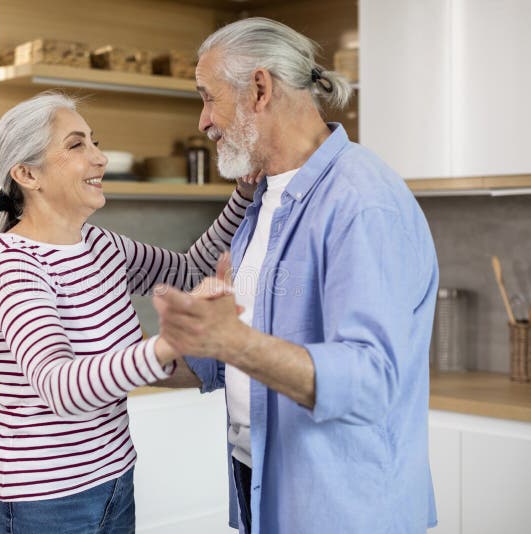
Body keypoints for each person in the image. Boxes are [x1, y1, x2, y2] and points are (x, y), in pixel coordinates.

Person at [151, 17, 439, 534]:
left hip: (345, 511)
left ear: (259, 89)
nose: (203, 121)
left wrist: (232, 341)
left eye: (207, 97)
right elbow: (233, 359)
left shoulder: (361, 202)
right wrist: (140, 355)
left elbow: (371, 381)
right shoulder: (264, 201)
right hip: (264, 492)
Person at [0, 90, 258, 534]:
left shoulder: (99, 244)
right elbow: (60, 386)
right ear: (26, 173)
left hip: (114, 482)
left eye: (93, 141)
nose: (98, 158)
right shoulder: (14, 265)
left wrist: (243, 195)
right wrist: (168, 345)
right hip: (43, 505)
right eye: (76, 145)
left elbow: (187, 269)